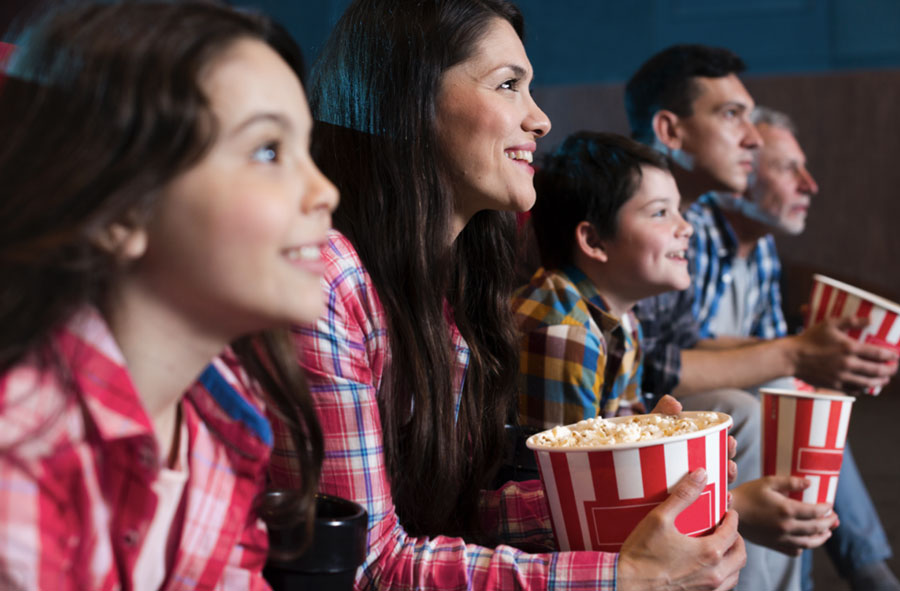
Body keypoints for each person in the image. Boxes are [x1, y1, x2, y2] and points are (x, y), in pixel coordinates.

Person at [268, 1, 745, 589]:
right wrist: (624, 578)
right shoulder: (331, 277)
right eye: (508, 85)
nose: (541, 119)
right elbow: (367, 566)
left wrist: (631, 487)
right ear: (407, 102)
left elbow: (449, 514)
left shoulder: (452, 282)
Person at [0, 2, 338, 589]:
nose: (325, 191)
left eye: (306, 149)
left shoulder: (218, 419)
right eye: (268, 151)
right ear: (120, 210)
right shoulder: (22, 448)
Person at [626, 44, 899, 591]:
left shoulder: (689, 221)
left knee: (786, 392)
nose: (750, 137)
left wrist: (809, 354)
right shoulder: (662, 220)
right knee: (746, 408)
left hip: (649, 396)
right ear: (670, 131)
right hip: (626, 413)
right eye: (732, 116)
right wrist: (797, 353)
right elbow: (658, 367)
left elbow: (675, 346)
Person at [518, 130, 839, 588]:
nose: (685, 227)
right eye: (660, 213)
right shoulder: (565, 335)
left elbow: (617, 447)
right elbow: (568, 508)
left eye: (679, 210)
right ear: (594, 240)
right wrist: (732, 504)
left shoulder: (620, 321)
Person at [686, 106, 900, 591]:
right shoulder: (689, 229)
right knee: (786, 388)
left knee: (801, 394)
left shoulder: (760, 245)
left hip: (743, 393)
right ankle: (868, 571)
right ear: (741, 173)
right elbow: (675, 349)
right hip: (679, 393)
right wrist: (801, 352)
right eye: (787, 168)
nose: (810, 184)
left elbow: (772, 347)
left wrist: (830, 358)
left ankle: (846, 568)